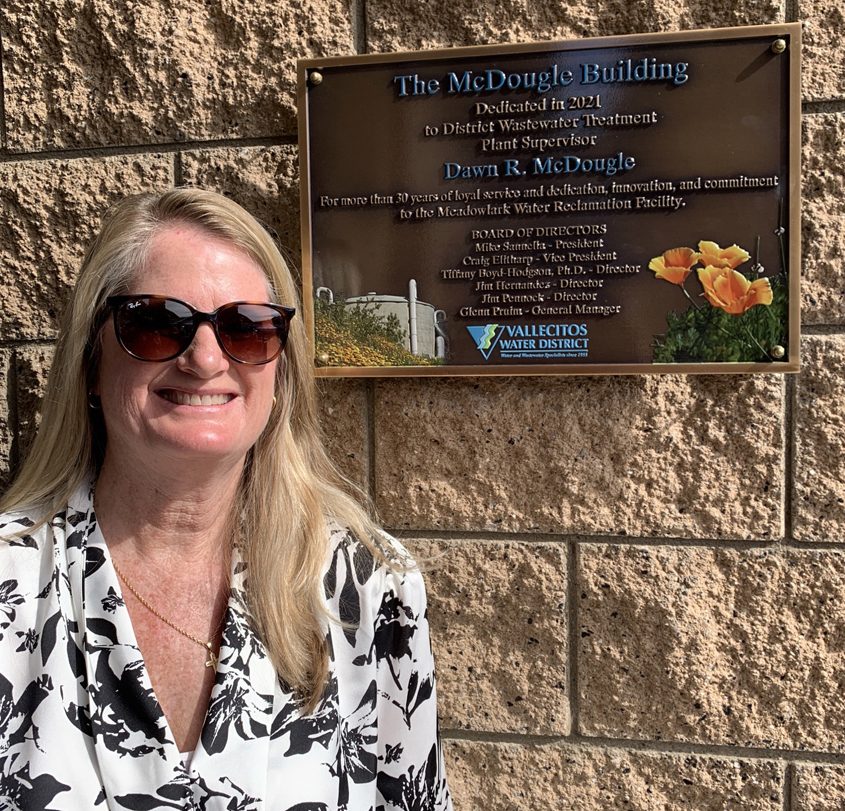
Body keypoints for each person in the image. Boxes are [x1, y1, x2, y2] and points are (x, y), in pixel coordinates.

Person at [0, 188, 452, 810]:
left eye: (247, 328)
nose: (207, 358)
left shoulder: (369, 587)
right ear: (90, 365)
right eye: (157, 323)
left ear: (280, 370)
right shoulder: (10, 584)